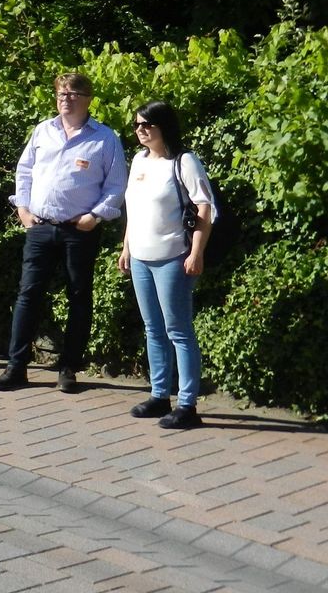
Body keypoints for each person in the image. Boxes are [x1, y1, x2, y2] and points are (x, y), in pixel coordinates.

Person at [0, 73, 128, 393]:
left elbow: (116, 186)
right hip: (40, 227)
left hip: (78, 231)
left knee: (79, 297)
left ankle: (69, 368)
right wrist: (23, 210)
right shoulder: (44, 130)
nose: (65, 98)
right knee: (28, 295)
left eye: (72, 93)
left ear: (88, 98)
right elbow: (24, 171)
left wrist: (95, 217)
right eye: (61, 92)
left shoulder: (105, 138)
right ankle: (16, 367)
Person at [117, 101, 214, 430]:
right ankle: (160, 395)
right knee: (153, 329)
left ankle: (187, 404)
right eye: (136, 125)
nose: (140, 130)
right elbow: (135, 208)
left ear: (164, 127)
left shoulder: (183, 161)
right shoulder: (139, 161)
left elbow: (204, 207)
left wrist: (196, 252)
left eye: (147, 125)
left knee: (179, 332)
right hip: (142, 258)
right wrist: (127, 246)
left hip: (173, 257)